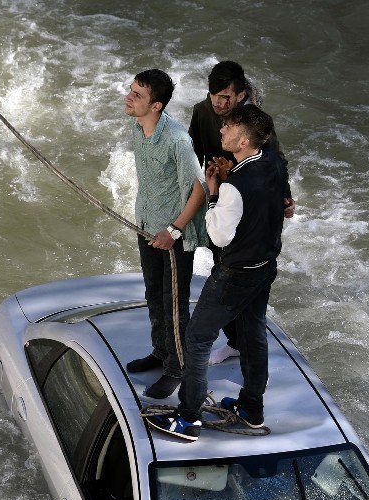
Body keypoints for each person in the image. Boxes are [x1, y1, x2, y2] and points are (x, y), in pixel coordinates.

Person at [145, 106, 288, 441]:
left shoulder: (234, 187)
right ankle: (252, 409)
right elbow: (279, 202)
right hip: (264, 268)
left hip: (235, 274)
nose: (221, 131)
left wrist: (213, 194)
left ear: (243, 141)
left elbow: (220, 236)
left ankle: (188, 418)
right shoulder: (273, 161)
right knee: (253, 336)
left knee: (197, 338)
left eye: (228, 128)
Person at [187, 61, 294, 365]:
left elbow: (276, 160)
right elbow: (193, 153)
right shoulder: (202, 111)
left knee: (241, 271)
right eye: (213, 97)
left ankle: (243, 339)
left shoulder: (256, 123)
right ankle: (236, 340)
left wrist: (285, 197)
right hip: (221, 194)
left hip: (250, 198)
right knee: (222, 261)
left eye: (225, 98)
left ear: (242, 94)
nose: (218, 105)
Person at [124, 69, 208, 399]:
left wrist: (173, 230)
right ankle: (161, 353)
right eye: (131, 91)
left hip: (172, 235)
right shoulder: (137, 125)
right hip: (146, 225)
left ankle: (178, 367)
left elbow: (199, 189)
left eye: (137, 95)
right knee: (153, 294)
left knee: (174, 306)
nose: (129, 98)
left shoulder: (176, 140)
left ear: (156, 105)